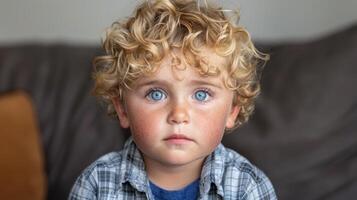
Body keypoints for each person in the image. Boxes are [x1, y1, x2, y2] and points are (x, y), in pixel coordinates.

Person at [69, 0, 277, 199]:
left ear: (232, 110)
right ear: (123, 109)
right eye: (156, 94)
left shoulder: (248, 186)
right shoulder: (97, 184)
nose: (179, 114)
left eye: (201, 94)